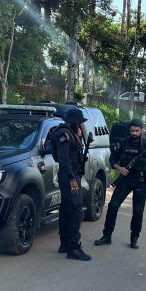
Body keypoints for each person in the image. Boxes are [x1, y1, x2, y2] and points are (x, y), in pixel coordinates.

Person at [94, 119, 146, 249]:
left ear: (141, 130)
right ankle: (107, 236)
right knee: (112, 206)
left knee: (138, 211)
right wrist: (119, 168)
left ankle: (134, 238)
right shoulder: (123, 143)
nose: (134, 133)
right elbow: (112, 159)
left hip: (140, 181)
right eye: (132, 130)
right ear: (129, 130)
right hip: (125, 179)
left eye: (137, 131)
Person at [55, 108, 92, 261]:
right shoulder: (64, 134)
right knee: (77, 210)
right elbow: (64, 159)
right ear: (74, 122)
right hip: (69, 176)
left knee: (66, 209)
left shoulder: (70, 133)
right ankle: (73, 248)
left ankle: (64, 244)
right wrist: (72, 180)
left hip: (70, 175)